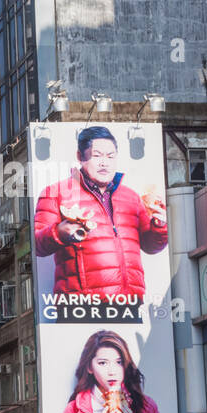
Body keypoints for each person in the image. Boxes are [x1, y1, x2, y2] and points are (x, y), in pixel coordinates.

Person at [33, 124, 168, 302]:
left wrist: (159, 226)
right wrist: (59, 232)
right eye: (97, 156)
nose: (105, 162)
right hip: (79, 306)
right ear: (80, 157)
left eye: (111, 156)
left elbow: (150, 246)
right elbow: (36, 244)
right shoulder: (56, 193)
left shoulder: (131, 197)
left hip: (130, 305)